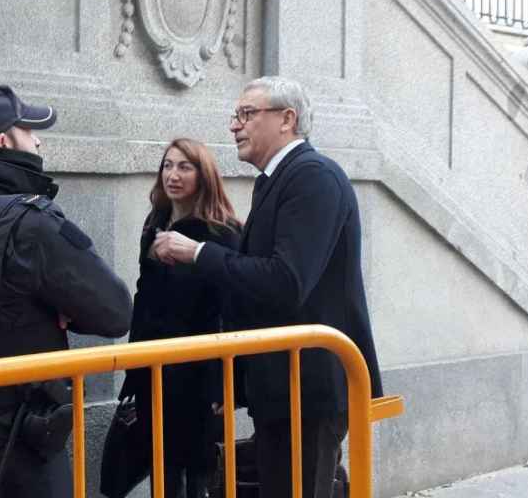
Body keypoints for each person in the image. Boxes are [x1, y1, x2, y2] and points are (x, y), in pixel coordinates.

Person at [151, 77, 383, 498]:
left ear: (287, 119)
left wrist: (199, 253)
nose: (235, 126)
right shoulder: (278, 179)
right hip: (282, 385)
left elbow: (285, 282)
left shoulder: (313, 177)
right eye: (235, 116)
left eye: (247, 114)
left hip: (308, 391)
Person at [0, 84, 132, 498]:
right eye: (28, 130)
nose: (37, 139)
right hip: (21, 449)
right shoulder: (32, 222)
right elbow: (116, 311)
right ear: (3, 141)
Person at [117, 138, 241, 498]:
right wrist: (133, 363)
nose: (173, 175)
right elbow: (144, 295)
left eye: (184, 166)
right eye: (167, 165)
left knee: (198, 468)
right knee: (161, 463)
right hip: (151, 364)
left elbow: (229, 310)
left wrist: (222, 381)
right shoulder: (155, 222)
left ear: (204, 175)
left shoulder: (223, 231)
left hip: (197, 371)